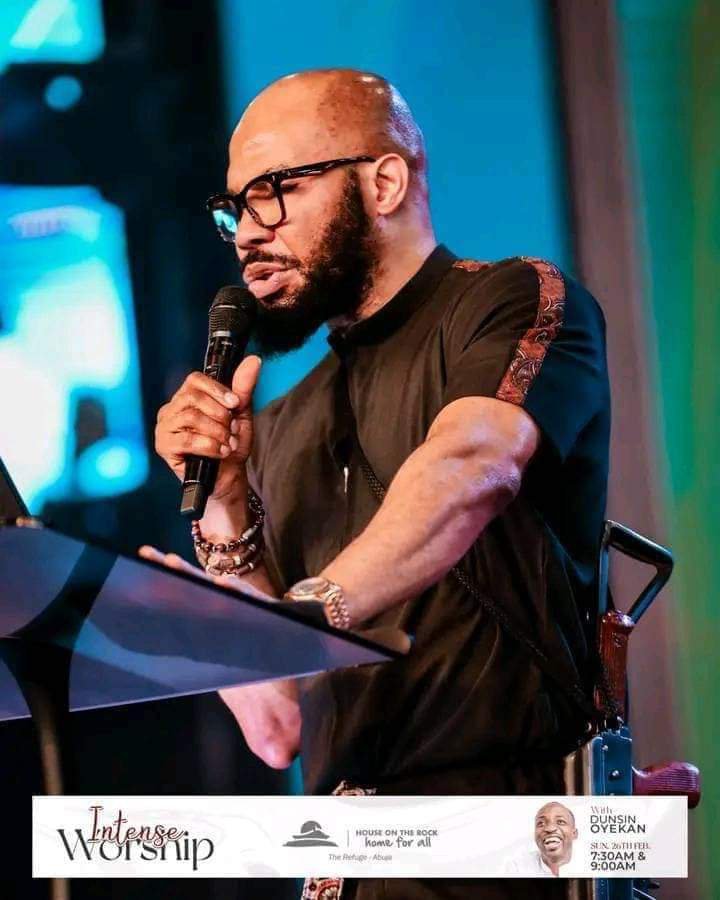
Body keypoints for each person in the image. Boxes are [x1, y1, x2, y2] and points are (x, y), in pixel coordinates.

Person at [148, 68, 610, 899]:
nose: (246, 234)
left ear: (384, 182)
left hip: (510, 850)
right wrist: (220, 515)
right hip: (345, 865)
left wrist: (311, 612)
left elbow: (472, 467)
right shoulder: (282, 423)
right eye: (234, 209)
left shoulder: (509, 302)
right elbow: (278, 728)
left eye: (274, 192)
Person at [504, 802, 580, 877]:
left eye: (560, 822)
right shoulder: (517, 868)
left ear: (574, 833)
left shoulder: (585, 865)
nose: (550, 829)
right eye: (541, 823)